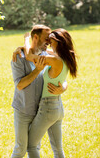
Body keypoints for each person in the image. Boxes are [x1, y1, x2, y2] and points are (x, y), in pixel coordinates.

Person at [11, 25, 68, 158]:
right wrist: (37, 70)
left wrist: (63, 87)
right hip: (24, 110)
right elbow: (19, 85)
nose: (49, 41)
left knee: (35, 146)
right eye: (46, 38)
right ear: (35, 37)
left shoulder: (46, 55)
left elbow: (61, 70)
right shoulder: (19, 57)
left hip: (40, 111)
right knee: (21, 149)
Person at [24, 28, 78, 158]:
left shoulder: (54, 60)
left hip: (48, 108)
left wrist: (26, 39)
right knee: (58, 150)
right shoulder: (65, 57)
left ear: (59, 43)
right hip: (58, 107)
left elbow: (29, 56)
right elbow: (42, 51)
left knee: (31, 146)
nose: (49, 44)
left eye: (51, 42)